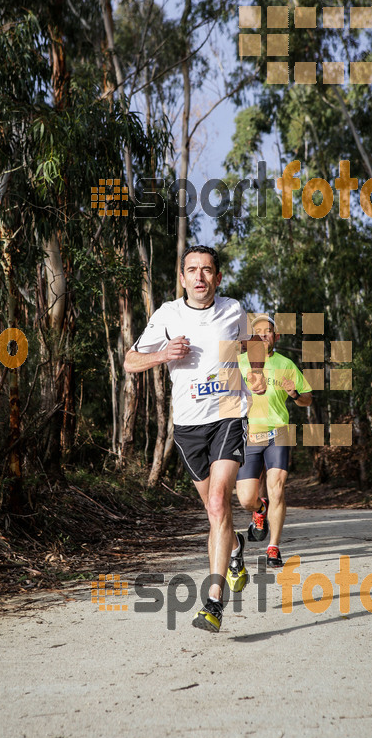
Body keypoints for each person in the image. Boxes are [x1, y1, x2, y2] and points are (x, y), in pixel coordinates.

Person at [124, 245, 265, 632]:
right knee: (213, 511)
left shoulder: (234, 310)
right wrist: (162, 355)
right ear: (182, 277)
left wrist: (255, 371)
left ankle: (214, 603)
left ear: (217, 278)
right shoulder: (167, 315)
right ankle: (235, 546)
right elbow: (129, 360)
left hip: (228, 416)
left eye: (207, 270)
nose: (200, 277)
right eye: (192, 270)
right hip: (187, 427)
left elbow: (252, 342)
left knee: (220, 500)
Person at [236, 314, 312, 567]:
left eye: (268, 331)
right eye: (258, 331)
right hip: (249, 433)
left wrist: (295, 393)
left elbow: (307, 399)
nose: (264, 335)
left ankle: (273, 547)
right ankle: (259, 510)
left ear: (276, 337)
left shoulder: (286, 363)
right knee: (246, 498)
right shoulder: (240, 363)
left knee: (277, 488)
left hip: (280, 430)